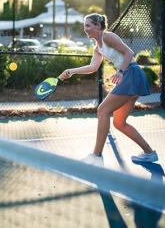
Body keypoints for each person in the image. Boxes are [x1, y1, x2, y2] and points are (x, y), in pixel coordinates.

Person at [60, 13, 158, 166]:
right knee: (119, 122)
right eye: (84, 26)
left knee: (102, 110)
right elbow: (93, 67)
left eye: (88, 25)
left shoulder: (108, 37)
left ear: (98, 26)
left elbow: (129, 53)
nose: (85, 29)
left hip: (131, 73)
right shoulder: (97, 48)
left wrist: (120, 72)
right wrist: (71, 71)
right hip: (130, 75)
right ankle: (149, 153)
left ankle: (97, 156)